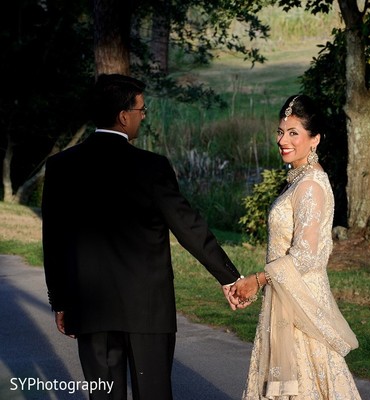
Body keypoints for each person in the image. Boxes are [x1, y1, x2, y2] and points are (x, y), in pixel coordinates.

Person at [42, 73, 242, 400]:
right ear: (124, 116)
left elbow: (54, 242)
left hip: (91, 310)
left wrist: (60, 301)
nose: (143, 115)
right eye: (141, 110)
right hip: (148, 312)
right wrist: (229, 277)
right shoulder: (152, 167)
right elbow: (188, 226)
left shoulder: (62, 166)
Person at [231, 95, 362, 399]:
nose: (283, 140)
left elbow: (304, 255)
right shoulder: (299, 180)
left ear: (314, 139)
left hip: (300, 302)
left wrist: (258, 280)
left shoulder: (311, 185)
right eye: (280, 131)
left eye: (293, 133)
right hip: (285, 295)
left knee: (309, 380)